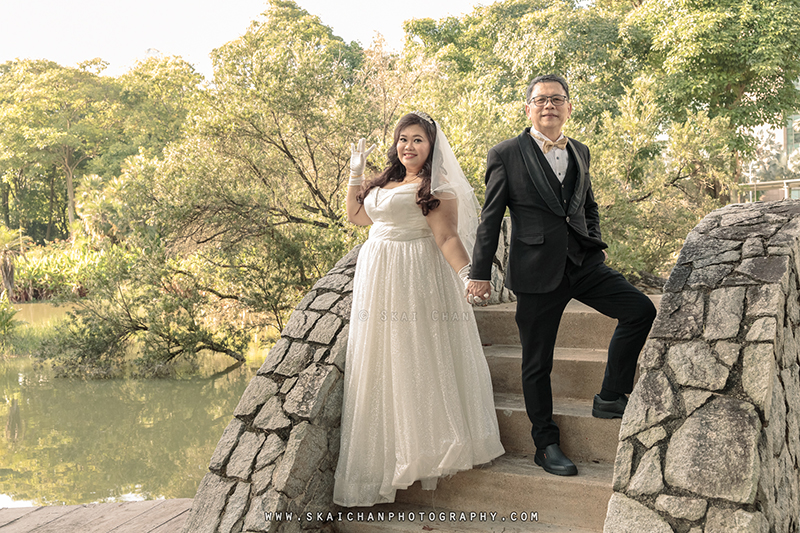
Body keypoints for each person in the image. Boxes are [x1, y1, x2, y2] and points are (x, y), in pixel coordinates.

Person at [466, 74, 657, 477]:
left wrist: (593, 239)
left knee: (640, 310)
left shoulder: (581, 151)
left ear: (569, 108)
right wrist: (479, 273)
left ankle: (609, 395)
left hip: (583, 264)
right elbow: (490, 219)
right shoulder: (505, 154)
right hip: (535, 271)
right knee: (538, 363)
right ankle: (545, 443)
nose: (549, 105)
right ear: (528, 109)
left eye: (557, 99)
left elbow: (588, 204)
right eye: (541, 100)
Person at [333, 111, 504, 507]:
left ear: (431, 148)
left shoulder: (438, 187)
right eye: (403, 139)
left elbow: (445, 237)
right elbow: (357, 216)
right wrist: (356, 173)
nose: (408, 146)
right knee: (381, 358)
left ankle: (425, 446)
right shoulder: (387, 180)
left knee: (415, 353)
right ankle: (389, 449)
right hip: (378, 274)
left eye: (418, 140)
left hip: (414, 274)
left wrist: (467, 275)